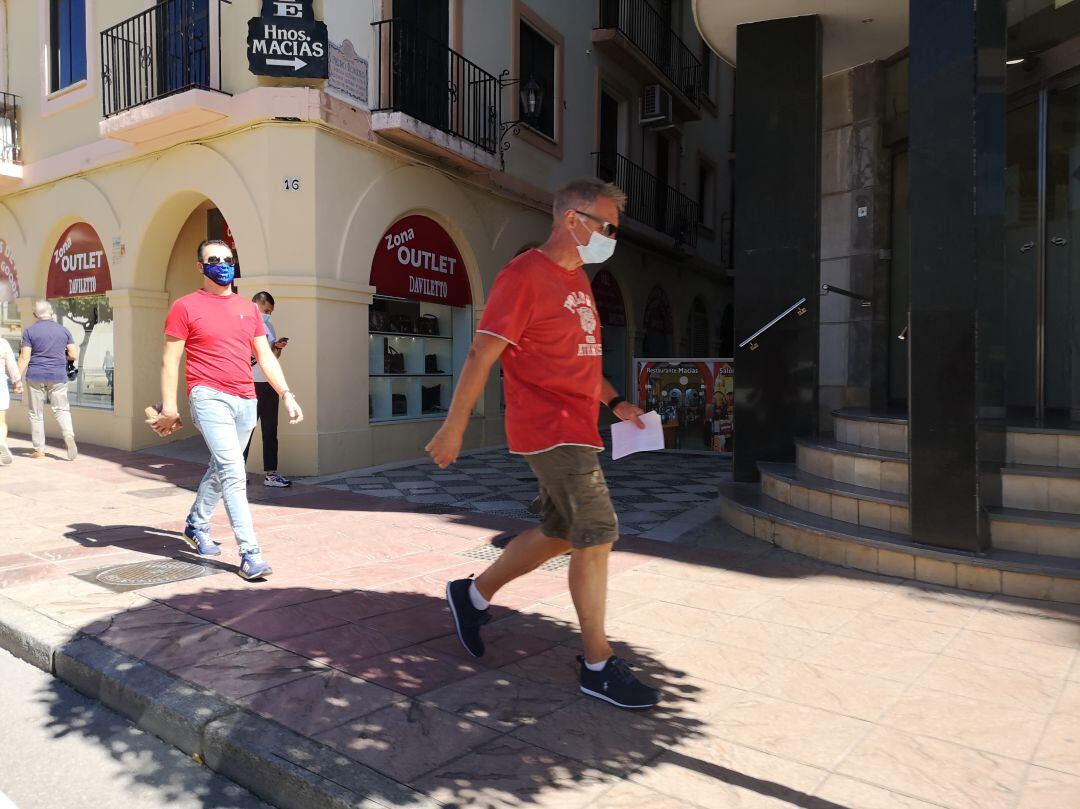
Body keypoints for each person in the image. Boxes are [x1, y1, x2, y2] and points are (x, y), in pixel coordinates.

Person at [426, 177, 662, 710]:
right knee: (597, 532)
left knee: (562, 531)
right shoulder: (524, 275)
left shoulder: (578, 282)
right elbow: (481, 354)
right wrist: (454, 426)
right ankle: (598, 665)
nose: (612, 238)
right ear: (572, 220)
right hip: (548, 427)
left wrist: (617, 403)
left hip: (579, 424)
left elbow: (576, 360)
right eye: (607, 227)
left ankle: (473, 594)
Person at [147, 239, 303, 581]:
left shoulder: (249, 309)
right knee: (234, 471)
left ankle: (196, 523)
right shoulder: (185, 306)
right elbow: (170, 359)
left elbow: (264, 357)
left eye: (228, 258)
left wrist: (286, 393)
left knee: (222, 466)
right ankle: (250, 554)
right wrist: (171, 406)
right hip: (207, 396)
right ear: (201, 267)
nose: (222, 264)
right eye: (214, 259)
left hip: (246, 398)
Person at [18, 301, 78, 461]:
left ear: (35, 315)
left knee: (36, 414)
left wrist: (16, 378)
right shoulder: (63, 331)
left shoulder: (30, 331)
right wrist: (62, 355)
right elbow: (74, 354)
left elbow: (25, 357)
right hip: (58, 376)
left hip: (35, 376)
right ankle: (68, 436)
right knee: (61, 409)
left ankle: (39, 450)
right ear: (51, 313)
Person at [243, 291, 291, 488]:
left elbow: (272, 358)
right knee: (245, 429)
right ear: (257, 304)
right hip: (250, 383)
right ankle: (237, 471)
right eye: (266, 310)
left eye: (270, 311)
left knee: (270, 430)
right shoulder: (244, 323)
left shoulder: (268, 326)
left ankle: (271, 473)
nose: (268, 314)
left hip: (269, 384)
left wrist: (277, 347)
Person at [0, 337, 23, 465]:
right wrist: (17, 382)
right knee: (1, 421)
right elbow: (12, 365)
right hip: (0, 383)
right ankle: (1, 441)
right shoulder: (2, 343)